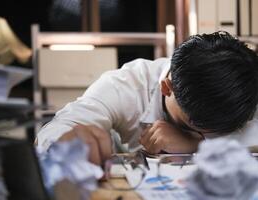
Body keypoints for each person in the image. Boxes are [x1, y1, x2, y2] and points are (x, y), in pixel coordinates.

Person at [36, 31, 258, 166]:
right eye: (193, 125)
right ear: (166, 87)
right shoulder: (128, 85)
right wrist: (68, 142)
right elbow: (61, 126)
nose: (204, 133)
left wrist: (196, 144)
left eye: (219, 130)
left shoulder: (245, 86)